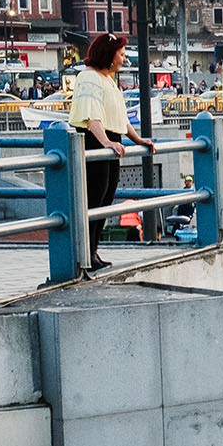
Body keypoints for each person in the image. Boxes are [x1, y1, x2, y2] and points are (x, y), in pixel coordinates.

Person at [69, 32, 156, 269]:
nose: (124, 59)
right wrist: (106, 142)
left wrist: (138, 140)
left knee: (105, 200)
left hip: (109, 140)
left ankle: (94, 251)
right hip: (95, 140)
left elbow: (119, 116)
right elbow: (91, 116)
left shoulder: (107, 79)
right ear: (109, 55)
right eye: (121, 54)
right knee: (95, 199)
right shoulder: (89, 78)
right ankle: (86, 252)